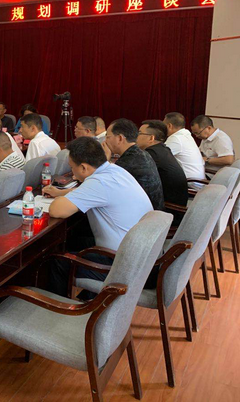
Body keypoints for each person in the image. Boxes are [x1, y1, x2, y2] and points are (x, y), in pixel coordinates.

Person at [42, 137, 153, 297]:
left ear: (84, 167)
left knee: (57, 262)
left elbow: (56, 210)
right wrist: (62, 192)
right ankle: (89, 296)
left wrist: (61, 197)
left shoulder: (99, 182)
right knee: (73, 240)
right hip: (144, 255)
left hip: (124, 265)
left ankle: (59, 308)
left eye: (72, 168)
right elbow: (94, 192)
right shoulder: (115, 170)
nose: (72, 173)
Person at [103, 118, 164, 210]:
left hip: (143, 214)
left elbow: (104, 185)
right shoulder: (141, 153)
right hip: (153, 211)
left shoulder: (127, 161)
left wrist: (104, 160)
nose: (105, 141)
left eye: (107, 137)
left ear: (120, 138)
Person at [137, 120, 188, 223]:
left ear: (151, 138)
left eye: (139, 133)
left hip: (168, 212)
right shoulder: (162, 149)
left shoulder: (152, 154)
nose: (136, 136)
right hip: (174, 207)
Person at [164, 112, 205, 180]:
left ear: (169, 126)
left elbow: (158, 158)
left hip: (190, 182)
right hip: (198, 180)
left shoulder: (176, 138)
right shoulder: (186, 136)